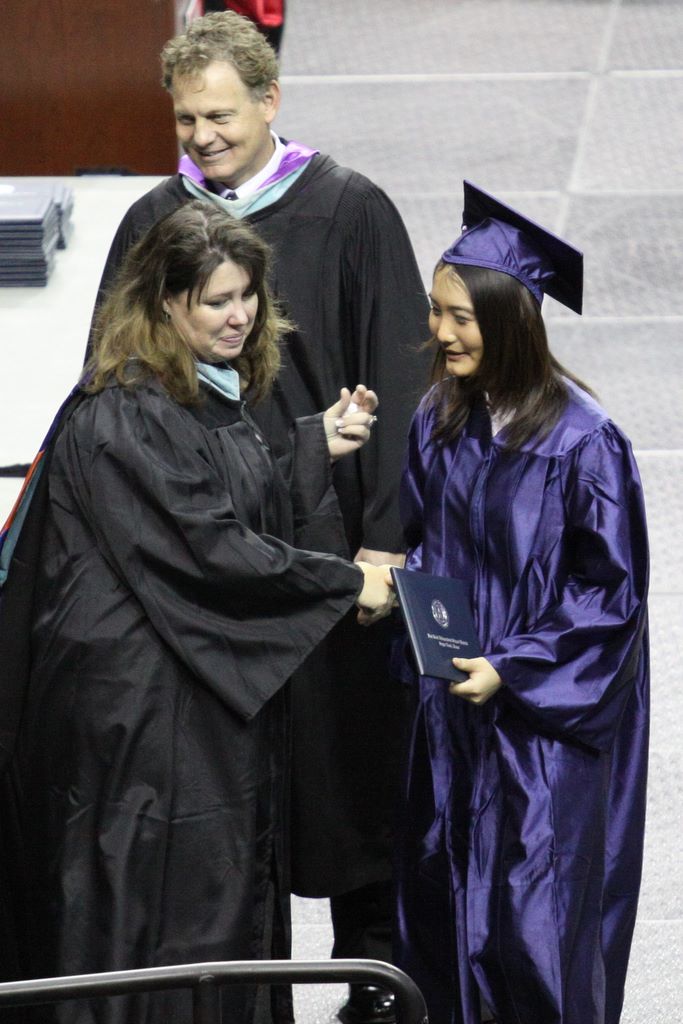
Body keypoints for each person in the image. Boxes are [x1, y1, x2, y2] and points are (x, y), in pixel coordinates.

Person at [86, 12, 430, 1022]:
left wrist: (382, 540)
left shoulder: (348, 209)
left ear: (269, 100)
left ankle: (372, 973)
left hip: (328, 553)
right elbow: (110, 378)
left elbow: (400, 380)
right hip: (205, 548)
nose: (202, 137)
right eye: (185, 119)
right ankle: (249, 988)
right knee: (235, 791)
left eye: (221, 116)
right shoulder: (154, 221)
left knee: (351, 770)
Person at [0, 201, 396, 1024]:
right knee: (164, 920)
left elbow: (218, 502)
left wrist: (308, 446)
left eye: (247, 294)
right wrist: (343, 583)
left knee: (211, 903)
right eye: (217, 300)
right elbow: (208, 549)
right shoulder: (124, 412)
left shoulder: (192, 393)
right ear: (165, 303)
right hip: (141, 733)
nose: (239, 315)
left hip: (188, 706)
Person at [392, 182, 649, 1024]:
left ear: (510, 321)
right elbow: (426, 545)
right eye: (436, 311)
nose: (440, 332)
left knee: (535, 923)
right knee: (442, 908)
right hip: (451, 716)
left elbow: (609, 598)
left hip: (541, 734)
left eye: (460, 316)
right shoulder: (437, 418)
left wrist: (510, 667)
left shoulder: (583, 443)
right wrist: (397, 594)